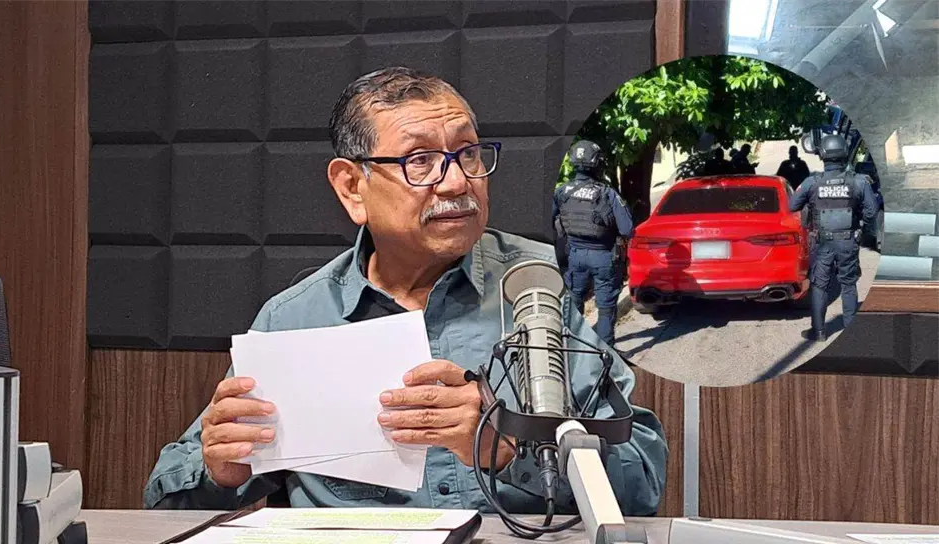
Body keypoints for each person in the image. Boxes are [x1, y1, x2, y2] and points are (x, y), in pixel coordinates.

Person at [143, 67, 668, 516]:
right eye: (420, 161)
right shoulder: (294, 320)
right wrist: (219, 471)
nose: (458, 182)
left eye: (468, 153)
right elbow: (161, 503)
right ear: (352, 186)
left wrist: (509, 449)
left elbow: (642, 480)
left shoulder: (546, 285)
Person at [789, 133, 877, 342]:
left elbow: (792, 205)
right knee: (848, 284)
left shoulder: (812, 182)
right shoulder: (859, 182)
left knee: (820, 285)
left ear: (823, 155)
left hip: (822, 242)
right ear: (845, 154)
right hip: (848, 240)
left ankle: (819, 332)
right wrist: (859, 222)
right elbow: (872, 212)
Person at [551, 140, 634, 347]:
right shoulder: (606, 193)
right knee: (605, 310)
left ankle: (572, 351)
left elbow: (550, 222)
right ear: (597, 164)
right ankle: (605, 357)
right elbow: (627, 229)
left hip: (574, 256)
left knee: (574, 305)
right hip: (604, 257)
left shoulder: (562, 191)